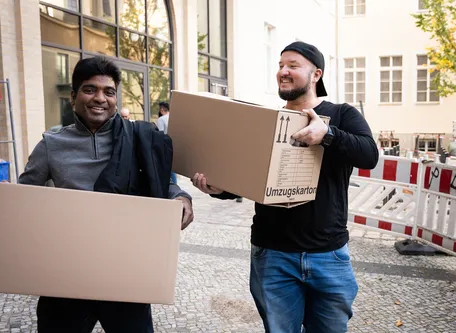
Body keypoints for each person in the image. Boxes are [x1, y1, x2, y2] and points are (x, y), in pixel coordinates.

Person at [192, 41, 379, 333]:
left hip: (328, 254)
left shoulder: (342, 114)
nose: (283, 71)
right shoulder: (267, 121)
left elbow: (369, 155)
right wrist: (220, 188)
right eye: (280, 66)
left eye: (293, 65)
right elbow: (247, 175)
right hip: (273, 255)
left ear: (316, 74)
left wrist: (327, 134)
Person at [19, 56, 194, 333]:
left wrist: (182, 197)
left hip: (124, 273)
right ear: (73, 97)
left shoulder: (137, 138)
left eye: (108, 92)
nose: (100, 98)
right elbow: (23, 202)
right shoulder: (51, 145)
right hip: (67, 275)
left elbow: (160, 183)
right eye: (90, 90)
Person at [156, 101, 178, 184]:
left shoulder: (161, 119)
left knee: (168, 169)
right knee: (173, 169)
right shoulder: (174, 118)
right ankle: (176, 186)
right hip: (175, 145)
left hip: (165, 146)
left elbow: (160, 134)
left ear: (162, 109)